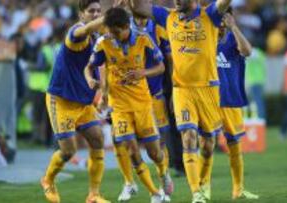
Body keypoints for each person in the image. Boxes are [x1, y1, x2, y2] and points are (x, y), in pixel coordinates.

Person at [129, 0, 232, 202]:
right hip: (182, 89)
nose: (176, 1)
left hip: (208, 88)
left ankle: (204, 182)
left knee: (208, 143)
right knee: (188, 136)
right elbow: (139, 8)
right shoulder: (168, 16)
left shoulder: (209, 14)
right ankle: (196, 193)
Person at [85, 7, 172, 203]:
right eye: (110, 32)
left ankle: (163, 172)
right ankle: (154, 193)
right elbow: (89, 67)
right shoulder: (104, 43)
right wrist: (91, 80)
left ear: (126, 27)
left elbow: (161, 67)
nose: (113, 36)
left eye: (116, 32)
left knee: (154, 152)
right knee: (131, 149)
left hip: (142, 103)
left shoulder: (143, 39)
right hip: (120, 106)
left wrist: (143, 73)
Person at [39, 0, 110, 203]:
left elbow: (101, 64)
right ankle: (47, 180)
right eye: (91, 11)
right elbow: (88, 28)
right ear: (81, 15)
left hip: (83, 102)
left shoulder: (98, 39)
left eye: (98, 10)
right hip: (61, 100)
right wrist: (112, 13)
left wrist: (103, 92)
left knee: (97, 139)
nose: (96, 14)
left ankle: (93, 195)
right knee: (69, 151)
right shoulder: (76, 33)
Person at [113, 11, 174, 202]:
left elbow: (168, 61)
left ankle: (163, 173)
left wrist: (172, 90)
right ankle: (130, 183)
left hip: (154, 94)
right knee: (124, 142)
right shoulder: (122, 26)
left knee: (157, 145)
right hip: (124, 98)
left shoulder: (157, 29)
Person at [214, 9, 259, 200]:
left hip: (230, 100)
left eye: (226, 18)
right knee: (202, 144)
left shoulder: (233, 38)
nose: (222, 22)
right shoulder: (203, 37)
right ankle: (200, 190)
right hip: (207, 99)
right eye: (220, 18)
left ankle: (238, 190)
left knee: (235, 145)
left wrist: (234, 27)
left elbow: (247, 51)